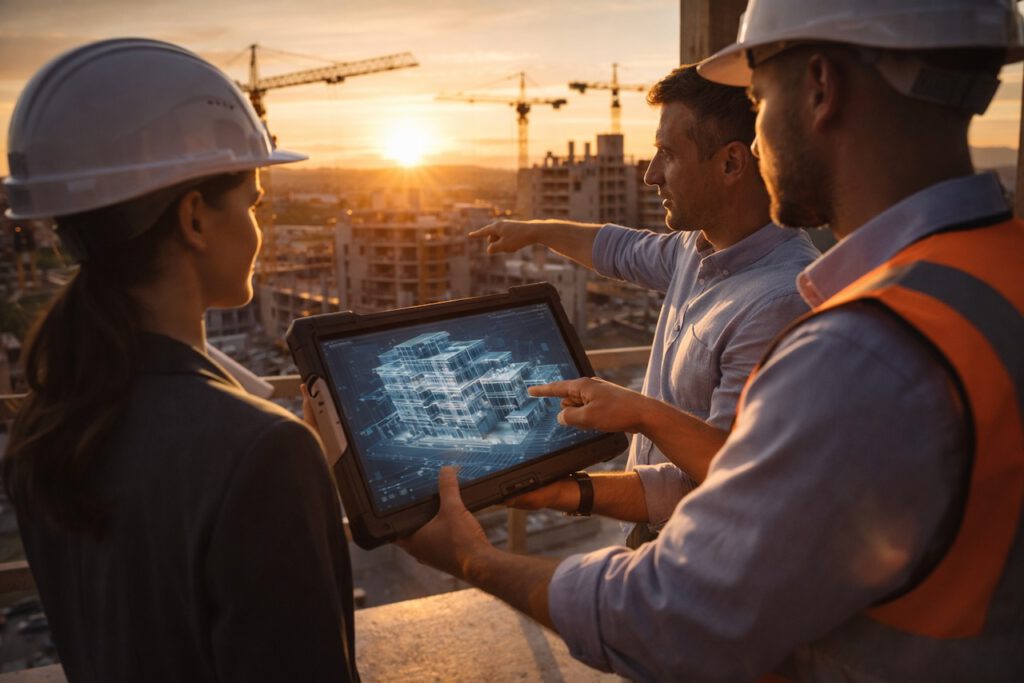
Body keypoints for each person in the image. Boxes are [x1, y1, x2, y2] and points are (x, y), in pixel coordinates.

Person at [397, 0, 1024, 680]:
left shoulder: (858, 350)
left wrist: (473, 558)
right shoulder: (994, 273)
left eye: (760, 99)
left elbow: (674, 619)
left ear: (820, 87)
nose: (757, 137)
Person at [2, 39, 359, 682]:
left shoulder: (48, 421)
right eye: (253, 204)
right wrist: (293, 469)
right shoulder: (262, 452)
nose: (258, 228)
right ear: (195, 218)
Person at [471, 65, 817, 545]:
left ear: (731, 163)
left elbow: (729, 474)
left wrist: (634, 417)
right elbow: (619, 249)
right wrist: (536, 230)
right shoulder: (697, 248)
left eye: (667, 154)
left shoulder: (780, 303)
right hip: (659, 535)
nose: (651, 175)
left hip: (700, 552)